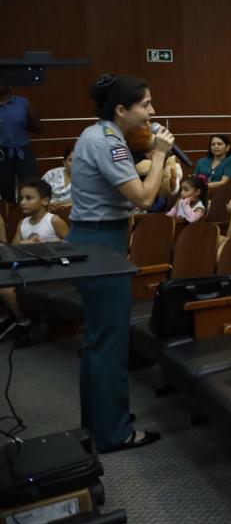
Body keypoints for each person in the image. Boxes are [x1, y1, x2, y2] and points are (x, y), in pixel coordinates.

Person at [67, 74, 172, 451]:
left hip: (96, 238)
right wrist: (159, 155)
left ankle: (96, 427)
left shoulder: (100, 136)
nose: (152, 112)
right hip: (100, 242)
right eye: (145, 104)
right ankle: (114, 433)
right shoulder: (108, 143)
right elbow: (144, 199)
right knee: (109, 343)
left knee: (99, 341)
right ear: (121, 109)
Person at [0, 180, 70, 333]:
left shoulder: (53, 221)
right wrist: (24, 244)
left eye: (29, 198)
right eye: (21, 199)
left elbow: (70, 247)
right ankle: (14, 317)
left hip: (49, 269)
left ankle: (22, 321)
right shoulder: (22, 223)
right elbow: (12, 250)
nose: (23, 203)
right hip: (27, 267)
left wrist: (47, 245)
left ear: (44, 201)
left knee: (5, 289)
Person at [0, 86, 42, 203]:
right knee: (5, 190)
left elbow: (37, 127)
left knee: (31, 187)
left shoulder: (23, 102)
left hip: (23, 151)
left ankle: (32, 219)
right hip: (1, 154)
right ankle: (8, 218)